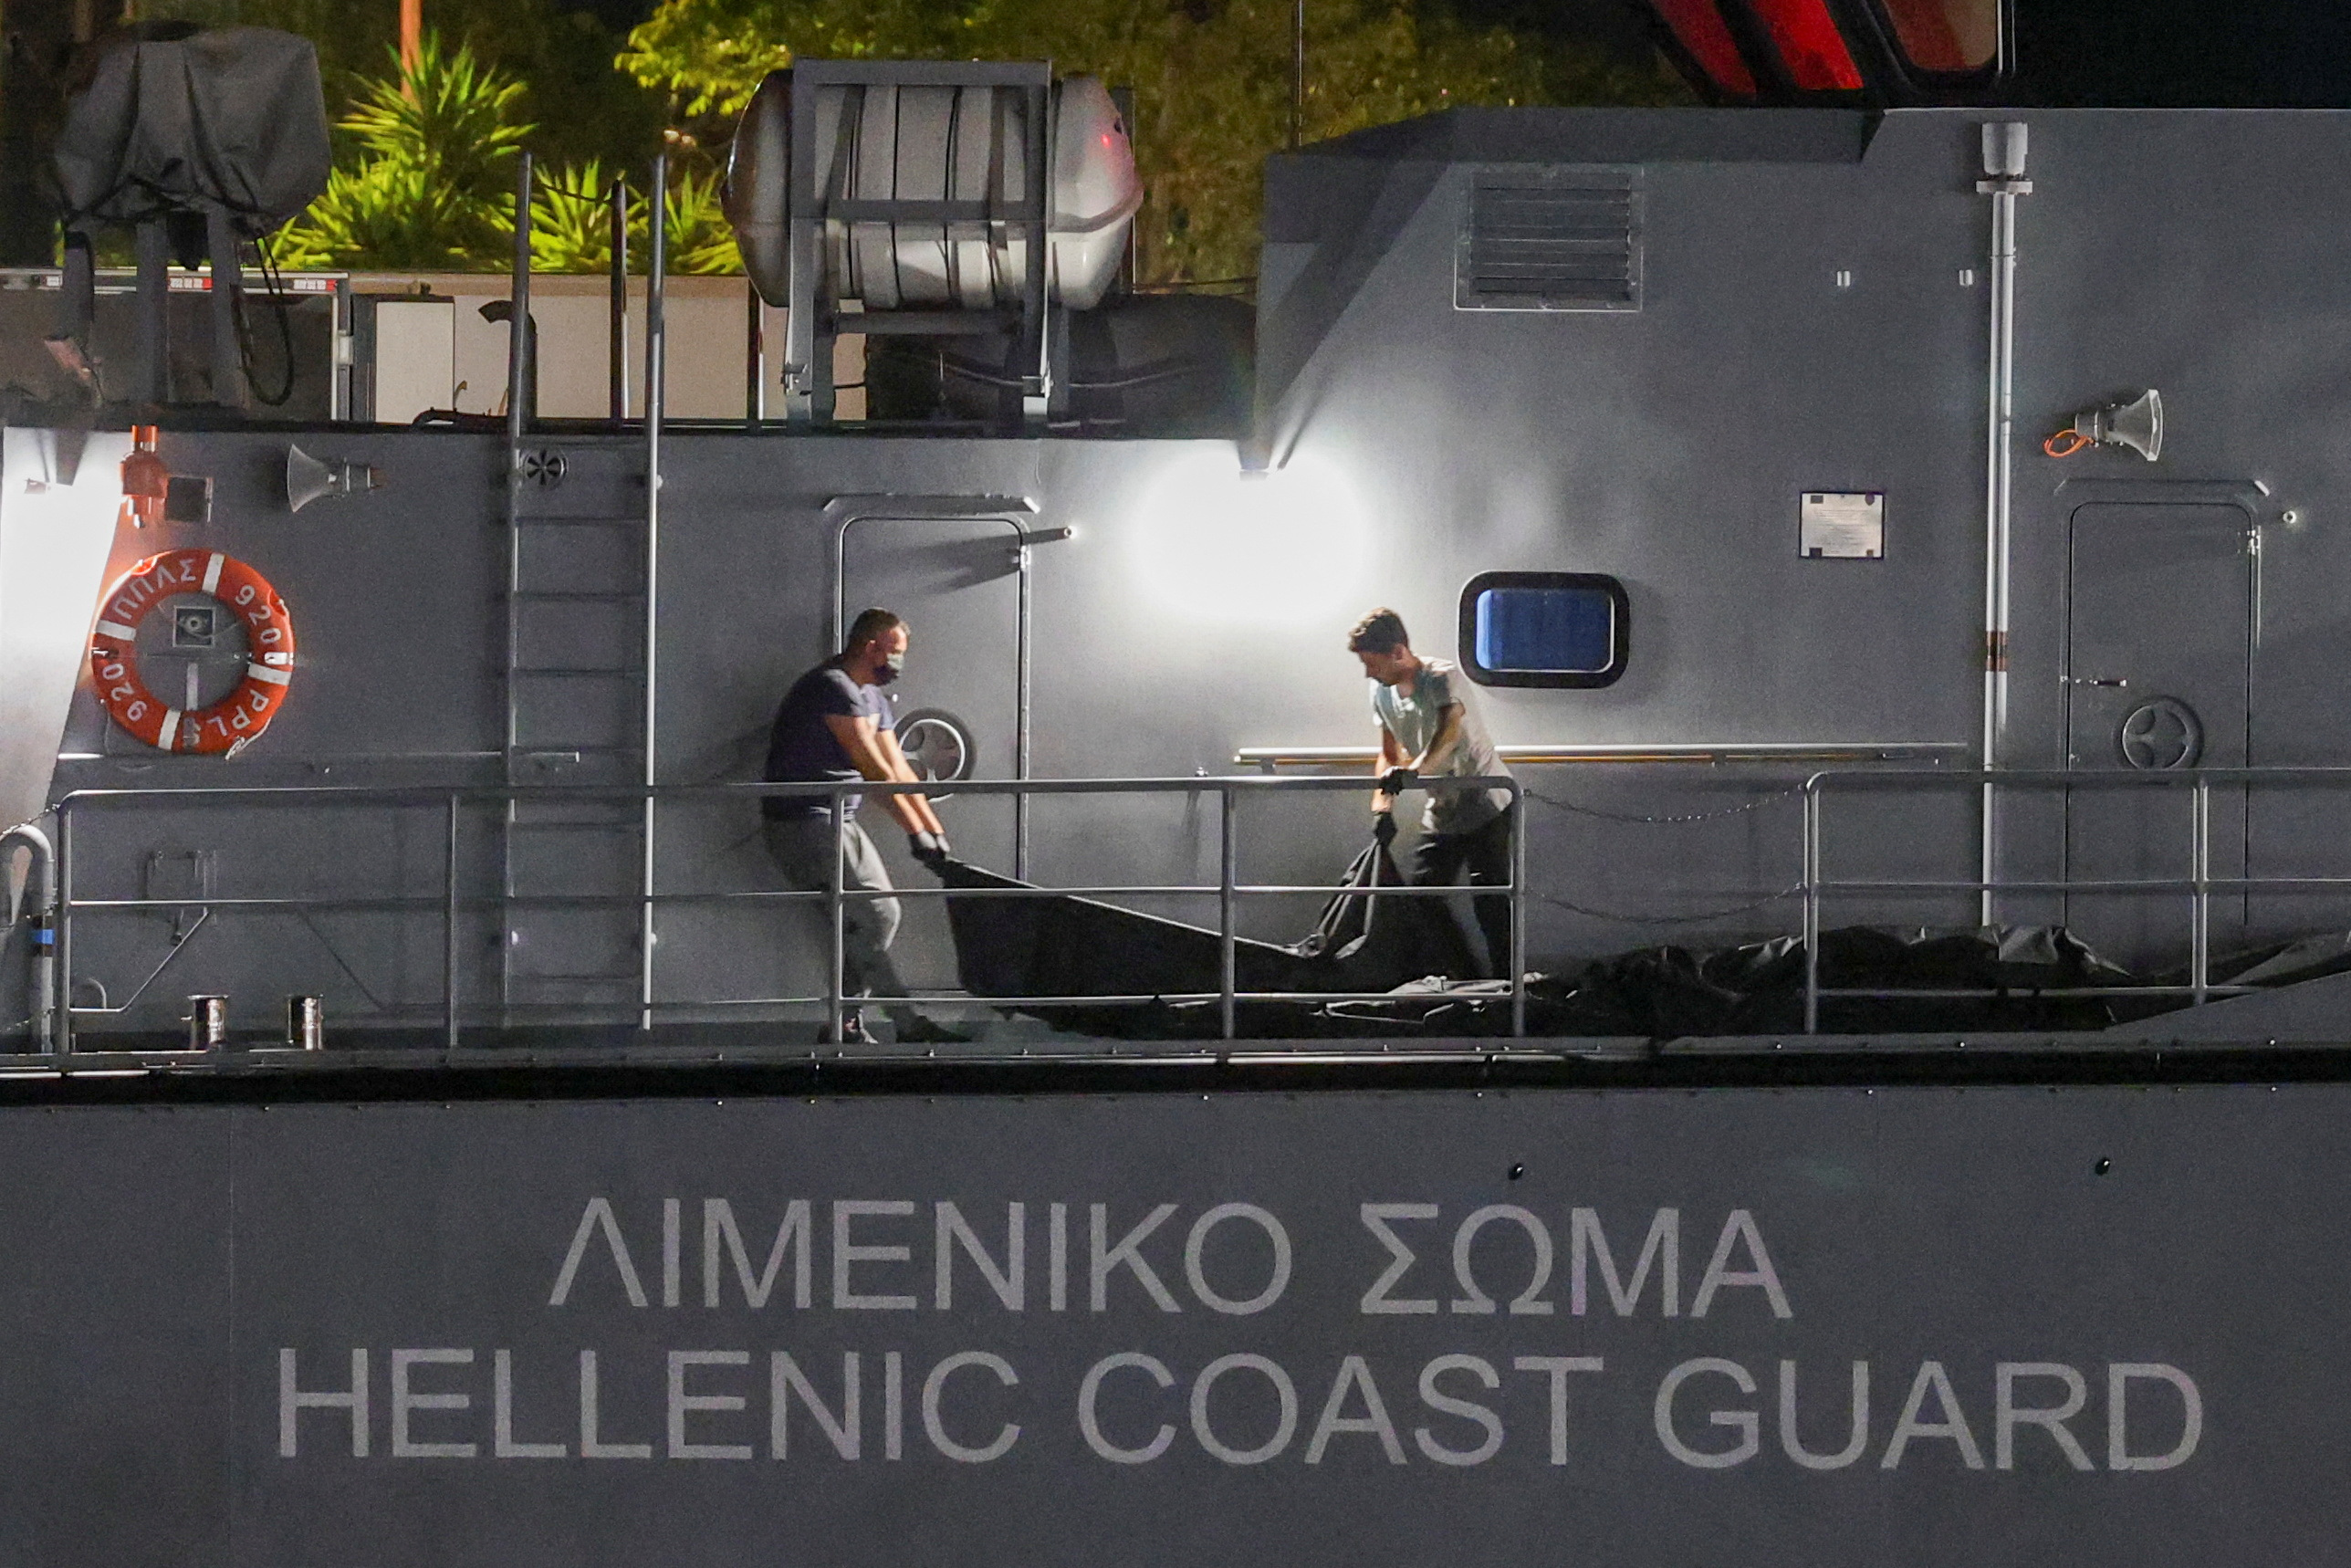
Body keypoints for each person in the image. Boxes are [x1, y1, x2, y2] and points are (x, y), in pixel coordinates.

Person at [762, 607, 963, 1044]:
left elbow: (899, 770)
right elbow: (874, 772)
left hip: (839, 820)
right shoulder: (832, 688)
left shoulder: (871, 696)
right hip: (803, 823)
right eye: (895, 653)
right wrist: (915, 834)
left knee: (881, 915)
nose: (899, 664)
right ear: (871, 646)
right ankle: (906, 1024)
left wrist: (934, 831)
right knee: (869, 917)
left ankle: (844, 1022)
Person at [1348, 606, 1518, 979]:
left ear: (1398, 653)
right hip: (1442, 806)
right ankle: (1466, 977)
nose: (1368, 672)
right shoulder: (1381, 692)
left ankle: (1508, 991)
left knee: (1490, 904)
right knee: (1423, 896)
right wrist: (1382, 806)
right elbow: (1388, 754)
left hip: (1485, 802)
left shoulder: (1442, 679)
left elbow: (1448, 735)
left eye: (1372, 663)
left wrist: (1413, 773)